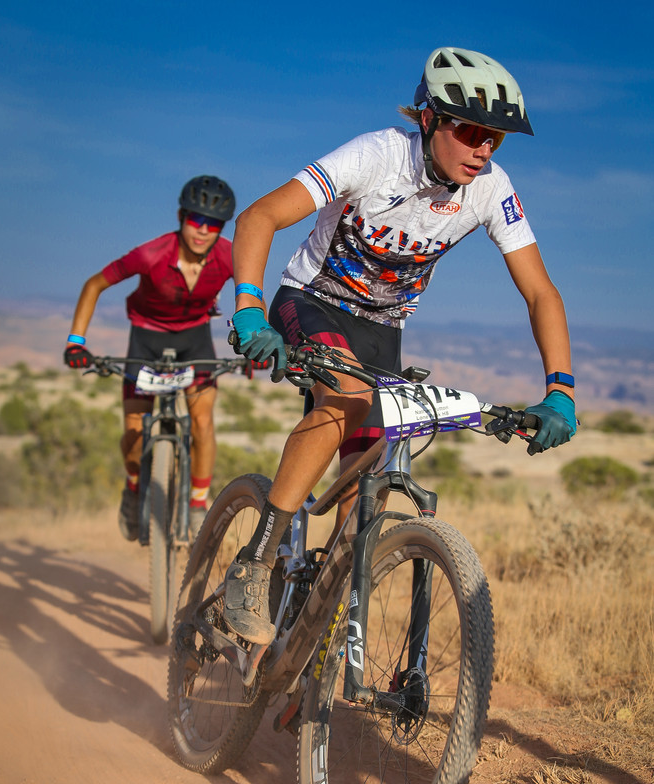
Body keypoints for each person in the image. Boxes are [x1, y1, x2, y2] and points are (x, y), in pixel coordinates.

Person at [224, 46, 577, 645]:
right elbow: (259, 217)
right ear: (429, 119)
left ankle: (309, 645)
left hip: (383, 330)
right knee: (349, 397)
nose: (484, 149)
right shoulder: (377, 156)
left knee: (360, 496)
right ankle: (254, 563)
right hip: (311, 301)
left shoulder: (491, 188)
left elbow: (541, 291)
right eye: (470, 131)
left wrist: (560, 389)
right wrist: (249, 309)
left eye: (495, 138)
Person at [64, 175, 236, 540]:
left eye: (214, 224)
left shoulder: (229, 255)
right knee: (133, 431)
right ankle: (133, 486)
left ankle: (198, 503)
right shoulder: (150, 254)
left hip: (195, 339)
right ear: (181, 217)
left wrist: (257, 342)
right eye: (196, 219)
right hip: (146, 339)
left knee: (203, 422)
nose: (203, 230)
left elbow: (253, 293)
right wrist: (75, 342)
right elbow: (94, 285)